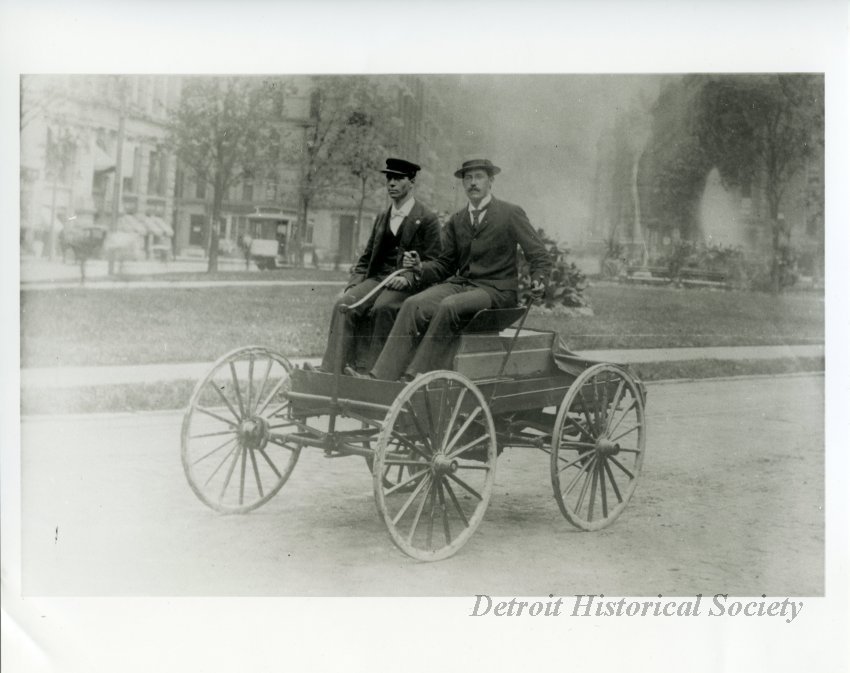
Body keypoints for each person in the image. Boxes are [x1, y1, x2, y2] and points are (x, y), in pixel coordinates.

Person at [363, 158, 552, 381]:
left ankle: (416, 376)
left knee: (449, 306)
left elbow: (538, 253)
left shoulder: (510, 213)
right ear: (463, 183)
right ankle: (381, 376)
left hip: (497, 292)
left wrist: (539, 278)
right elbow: (445, 265)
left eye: (479, 177)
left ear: (491, 181)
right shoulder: (458, 220)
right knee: (413, 304)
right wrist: (419, 267)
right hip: (463, 286)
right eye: (468, 178)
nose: (473, 183)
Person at [315, 157, 441, 373]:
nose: (391, 183)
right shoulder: (382, 217)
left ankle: (371, 373)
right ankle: (331, 370)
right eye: (389, 178)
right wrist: (353, 285)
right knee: (344, 304)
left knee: (384, 308)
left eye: (398, 178)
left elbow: (436, 261)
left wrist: (409, 277)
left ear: (412, 182)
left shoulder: (427, 218)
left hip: (407, 285)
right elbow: (366, 259)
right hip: (378, 280)